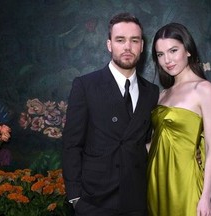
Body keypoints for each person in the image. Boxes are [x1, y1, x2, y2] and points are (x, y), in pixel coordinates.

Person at [62, 12, 159, 216]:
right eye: (120, 40)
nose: (127, 47)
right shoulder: (86, 86)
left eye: (134, 40)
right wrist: (75, 197)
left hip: (137, 199)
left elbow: (149, 142)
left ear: (142, 46)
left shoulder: (151, 92)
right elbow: (72, 144)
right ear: (109, 44)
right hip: (93, 201)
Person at [147, 23, 211, 216]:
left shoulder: (203, 89)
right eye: (160, 54)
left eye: (173, 50)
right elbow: (154, 143)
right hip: (156, 181)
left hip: (186, 182)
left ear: (187, 50)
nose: (167, 60)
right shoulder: (162, 94)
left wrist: (206, 197)